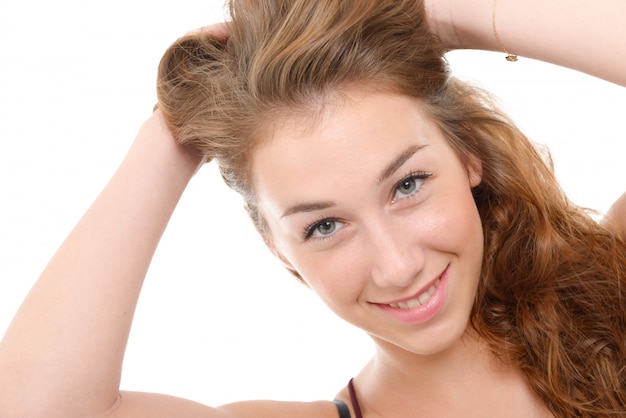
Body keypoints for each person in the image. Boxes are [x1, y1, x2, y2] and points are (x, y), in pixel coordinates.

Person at [0, 0, 625, 417]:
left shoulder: (615, 282)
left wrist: (444, 16)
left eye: (407, 186)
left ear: (467, 157)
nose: (397, 265)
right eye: (324, 225)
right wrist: (170, 134)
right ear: (279, 249)